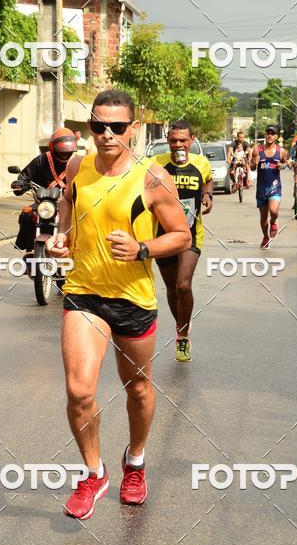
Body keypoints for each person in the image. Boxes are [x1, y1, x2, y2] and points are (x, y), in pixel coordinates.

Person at [46, 89, 191, 520]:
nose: (106, 135)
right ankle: (94, 473)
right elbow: (69, 202)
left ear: (133, 129)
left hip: (133, 299)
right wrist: (63, 236)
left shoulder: (152, 178)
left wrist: (143, 249)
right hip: (84, 291)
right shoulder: (77, 165)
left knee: (139, 389)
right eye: (97, 126)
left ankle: (136, 461)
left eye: (116, 127)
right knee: (78, 390)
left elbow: (181, 236)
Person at [152, 119, 213, 363]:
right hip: (163, 235)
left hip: (190, 234)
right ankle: (181, 326)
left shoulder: (201, 163)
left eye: (183, 140)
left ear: (191, 141)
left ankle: (182, 336)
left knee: (182, 285)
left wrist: (207, 196)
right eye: (173, 140)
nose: (178, 144)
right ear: (168, 142)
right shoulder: (156, 165)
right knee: (170, 288)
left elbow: (207, 180)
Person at [11, 129, 77, 253]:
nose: (65, 155)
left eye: (68, 153)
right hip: (44, 203)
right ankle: (28, 246)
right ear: (52, 147)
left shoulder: (76, 163)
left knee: (82, 220)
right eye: (62, 152)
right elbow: (25, 176)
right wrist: (20, 184)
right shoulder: (41, 160)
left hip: (68, 203)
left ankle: (77, 249)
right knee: (27, 215)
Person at [250, 125, 287, 249]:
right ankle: (265, 237)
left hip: (275, 187)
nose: (270, 135)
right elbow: (251, 167)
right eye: (268, 133)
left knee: (273, 211)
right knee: (263, 217)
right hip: (261, 188)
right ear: (265, 135)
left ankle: (274, 221)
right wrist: (254, 164)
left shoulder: (281, 151)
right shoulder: (257, 150)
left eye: (273, 133)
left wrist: (281, 166)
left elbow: (285, 163)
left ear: (276, 136)